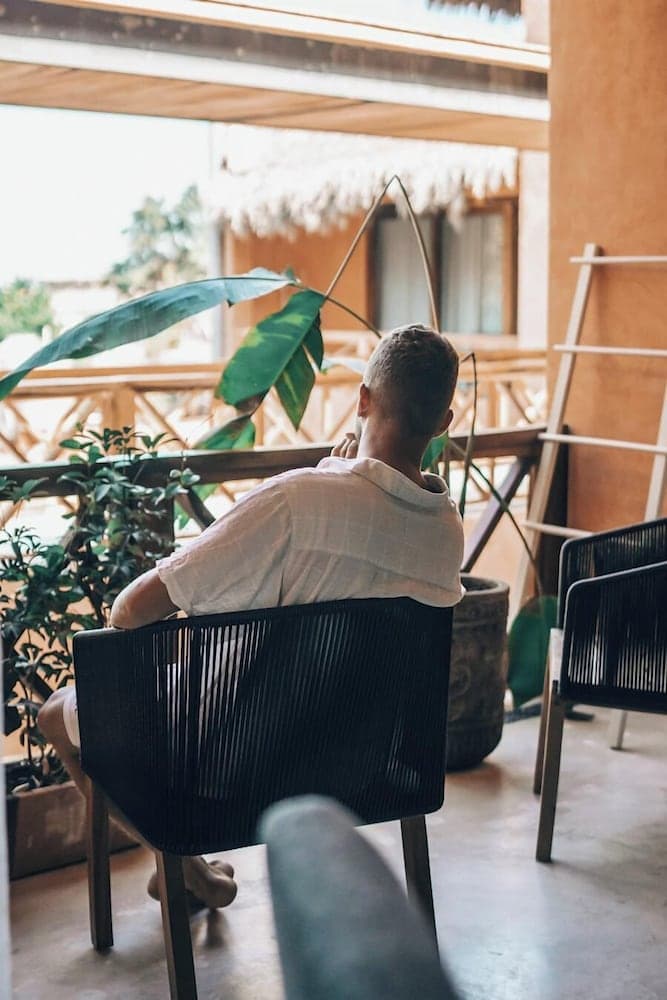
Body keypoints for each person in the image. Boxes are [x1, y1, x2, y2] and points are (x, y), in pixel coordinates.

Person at [38, 323, 464, 910]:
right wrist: (330, 474)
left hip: (236, 774)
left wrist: (323, 479)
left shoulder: (298, 501)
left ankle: (183, 864)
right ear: (443, 423)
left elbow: (130, 610)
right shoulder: (446, 532)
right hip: (362, 772)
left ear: (363, 399)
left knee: (56, 713)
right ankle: (187, 874)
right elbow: (366, 526)